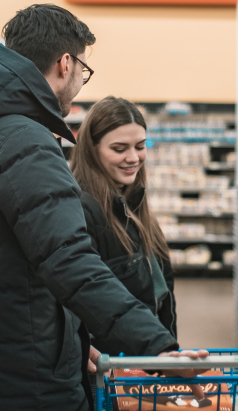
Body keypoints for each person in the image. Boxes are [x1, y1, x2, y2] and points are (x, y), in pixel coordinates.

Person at [0, 5, 207, 411]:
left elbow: (8, 261)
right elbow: (68, 260)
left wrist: (77, 338)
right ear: (66, 63)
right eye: (83, 69)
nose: (80, 83)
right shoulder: (26, 141)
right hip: (29, 385)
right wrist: (155, 347)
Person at [70, 96, 176, 355]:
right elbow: (88, 297)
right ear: (92, 150)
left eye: (140, 146)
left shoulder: (135, 203)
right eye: (119, 149)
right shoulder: (82, 210)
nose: (133, 158)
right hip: (113, 366)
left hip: (148, 358)